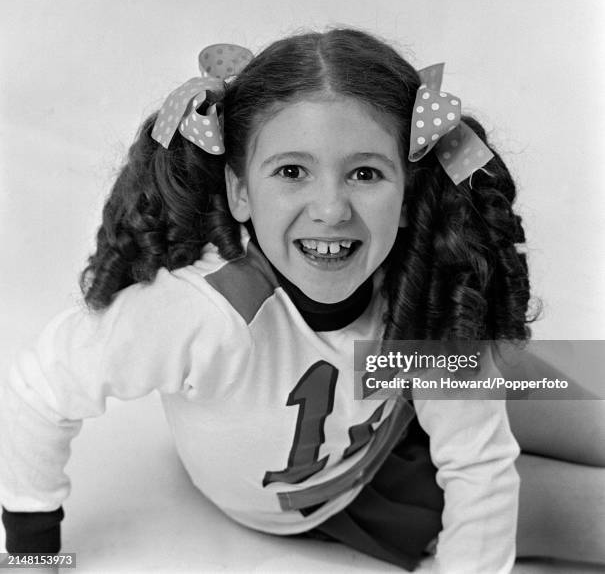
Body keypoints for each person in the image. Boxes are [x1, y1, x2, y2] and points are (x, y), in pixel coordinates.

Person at [0, 28, 602, 574]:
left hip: (393, 383)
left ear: (408, 187)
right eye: (291, 171)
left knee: (563, 396)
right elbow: (41, 388)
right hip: (351, 486)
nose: (331, 209)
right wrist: (31, 550)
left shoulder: (422, 289)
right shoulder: (197, 314)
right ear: (239, 191)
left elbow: (478, 451)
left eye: (366, 174)